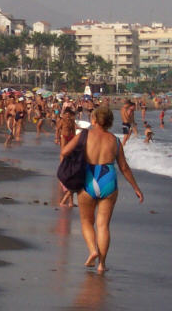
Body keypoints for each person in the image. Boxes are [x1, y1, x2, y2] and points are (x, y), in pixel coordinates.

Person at [60, 106, 143, 273]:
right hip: (108, 179)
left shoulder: (84, 135)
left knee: (86, 222)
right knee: (103, 225)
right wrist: (136, 188)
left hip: (88, 178)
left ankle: (92, 251)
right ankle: (102, 265)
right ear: (110, 121)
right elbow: (124, 167)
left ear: (94, 119)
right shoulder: (115, 140)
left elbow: (65, 151)